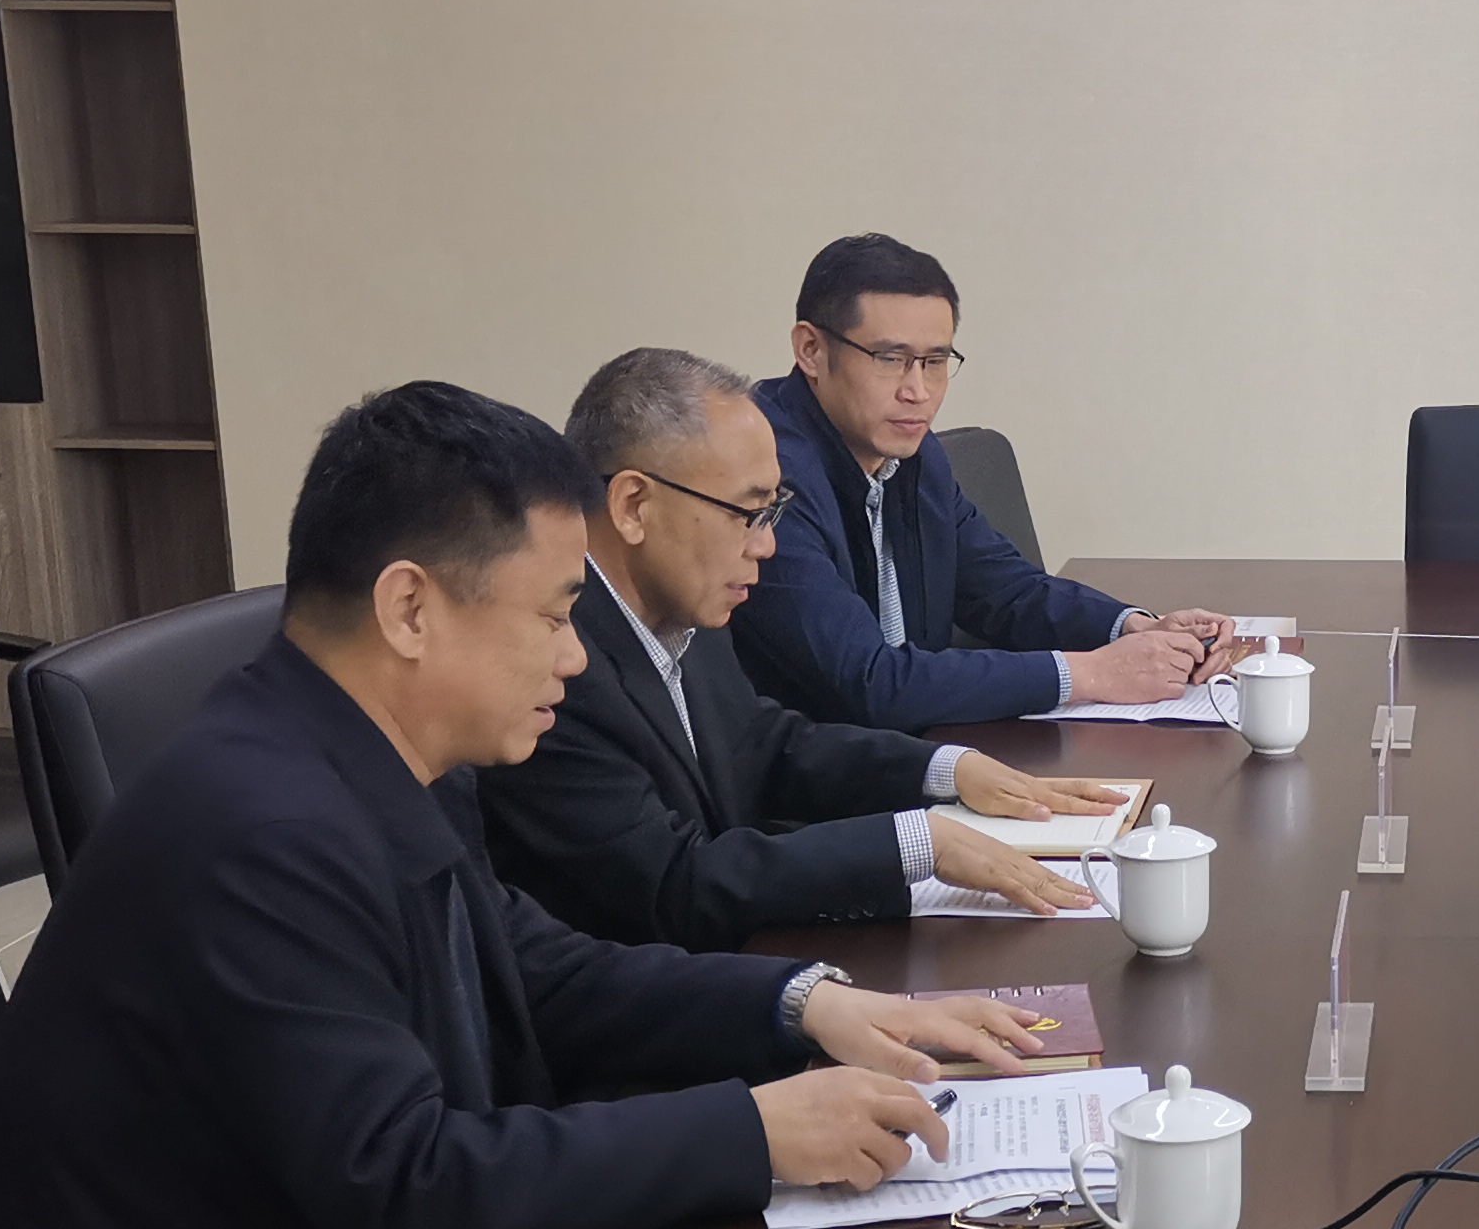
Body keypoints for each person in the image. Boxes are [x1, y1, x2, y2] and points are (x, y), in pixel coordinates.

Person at [0, 381, 1050, 1229]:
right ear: (410, 607)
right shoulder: (257, 833)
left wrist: (804, 1005)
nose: (575, 657)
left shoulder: (361, 754)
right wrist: (756, 1133)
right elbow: (408, 1186)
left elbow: (527, 965)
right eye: (549, 615)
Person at [483, 347, 1141, 948]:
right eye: (748, 514)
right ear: (633, 505)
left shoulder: (683, 603)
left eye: (773, 513)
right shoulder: (552, 668)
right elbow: (674, 886)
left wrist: (947, 769)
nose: (766, 545)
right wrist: (912, 843)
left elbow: (764, 744)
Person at [742, 231, 1238, 732]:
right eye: (890, 359)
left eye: (935, 362)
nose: (918, 392)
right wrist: (1091, 673)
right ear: (811, 350)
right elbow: (868, 683)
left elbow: (1006, 590)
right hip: (817, 769)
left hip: (922, 746)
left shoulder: (915, 456)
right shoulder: (763, 476)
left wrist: (1134, 628)